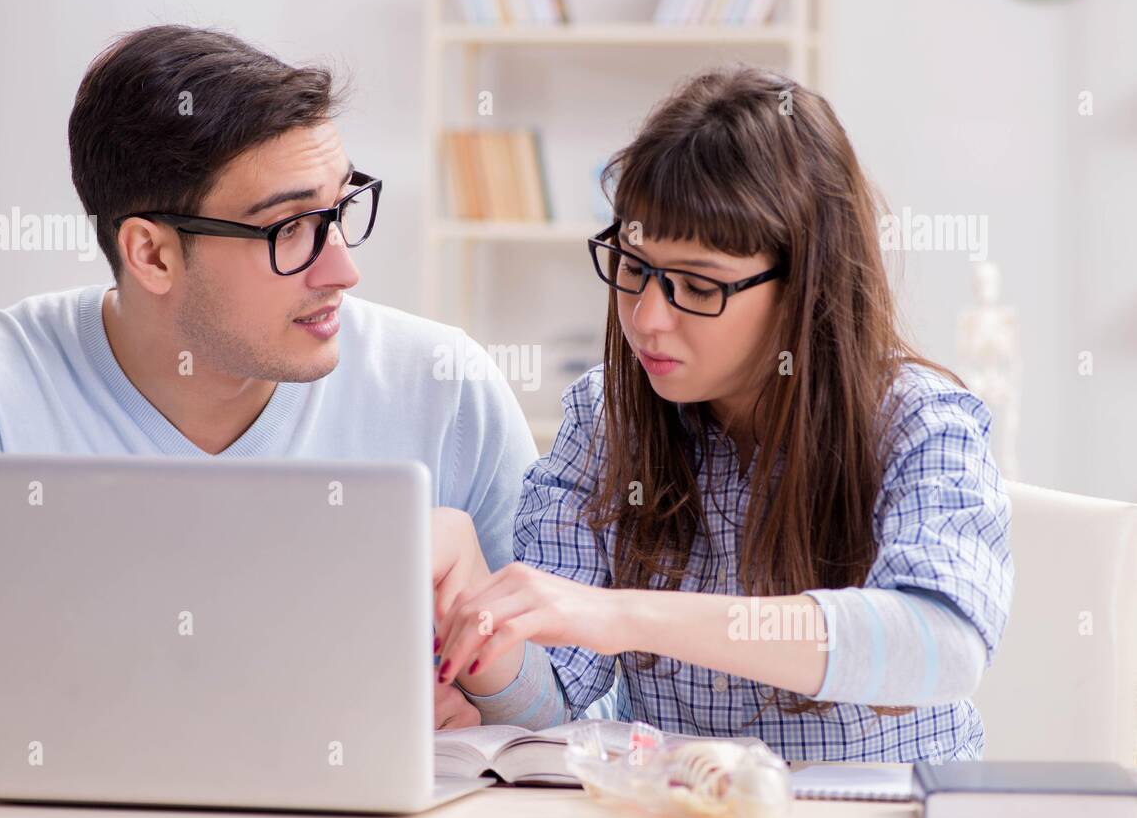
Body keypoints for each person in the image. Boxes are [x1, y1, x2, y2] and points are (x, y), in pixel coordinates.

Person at [0, 25, 538, 754]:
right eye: (292, 227)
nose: (341, 270)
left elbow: (588, 705)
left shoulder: (442, 385)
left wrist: (494, 682)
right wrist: (285, 715)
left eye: (341, 209)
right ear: (151, 253)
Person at [432, 66, 1014, 763]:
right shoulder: (606, 417)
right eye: (634, 267)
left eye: (697, 285)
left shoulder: (919, 422)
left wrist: (625, 615)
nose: (647, 318)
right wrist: (482, 631)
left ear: (805, 284)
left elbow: (938, 646)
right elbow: (555, 698)